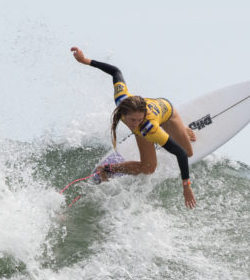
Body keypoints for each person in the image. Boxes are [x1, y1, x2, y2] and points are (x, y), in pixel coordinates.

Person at [71, 46, 197, 209]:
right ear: (123, 113)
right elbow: (115, 71)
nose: (135, 123)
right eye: (132, 120)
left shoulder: (149, 127)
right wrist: (85, 61)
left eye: (139, 119)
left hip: (167, 112)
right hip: (145, 128)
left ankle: (177, 127)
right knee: (148, 169)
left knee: (188, 152)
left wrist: (186, 185)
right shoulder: (121, 100)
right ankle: (108, 169)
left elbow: (179, 152)